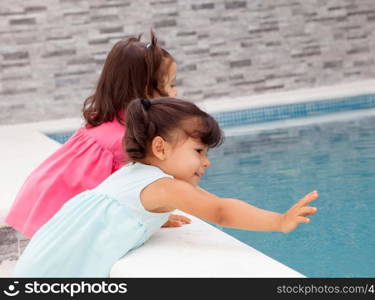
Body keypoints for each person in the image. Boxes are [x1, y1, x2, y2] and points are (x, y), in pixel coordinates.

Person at [13, 97, 318, 277]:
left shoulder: (133, 173)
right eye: (199, 152)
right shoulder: (164, 186)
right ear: (160, 148)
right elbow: (221, 211)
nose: (206, 162)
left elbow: (116, 211)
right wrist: (278, 221)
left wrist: (156, 217)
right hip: (61, 274)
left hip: (39, 264)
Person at [4, 32, 190, 238]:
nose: (175, 92)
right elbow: (128, 196)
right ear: (147, 90)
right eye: (171, 84)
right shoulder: (127, 140)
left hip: (46, 196)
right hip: (58, 211)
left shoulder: (111, 120)